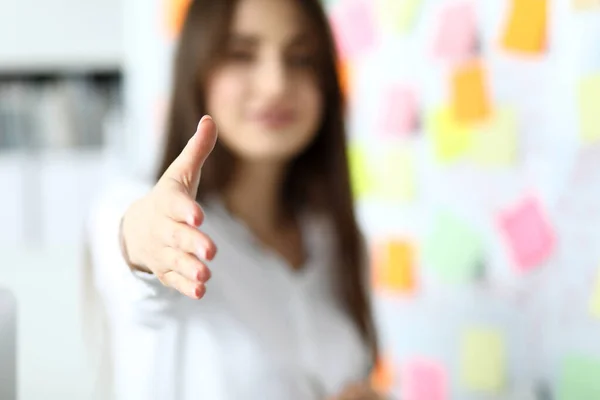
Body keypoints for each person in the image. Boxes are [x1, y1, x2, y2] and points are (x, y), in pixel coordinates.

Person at [86, 0, 382, 398]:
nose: (276, 83)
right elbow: (133, 244)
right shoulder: (148, 213)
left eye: (300, 58)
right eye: (241, 54)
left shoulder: (338, 240)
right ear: (197, 70)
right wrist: (148, 239)